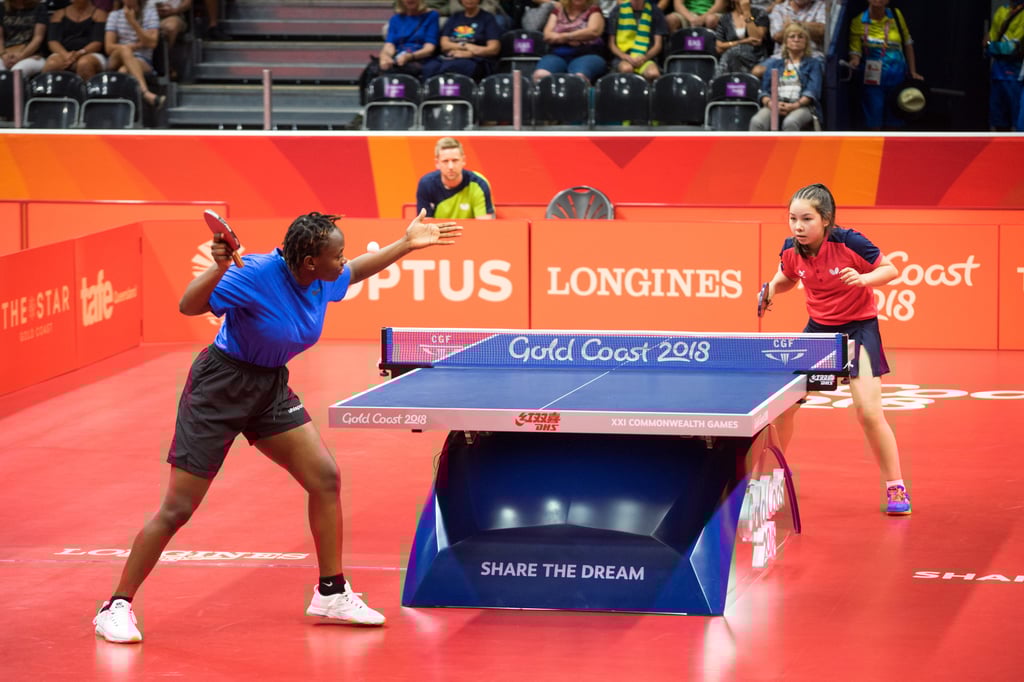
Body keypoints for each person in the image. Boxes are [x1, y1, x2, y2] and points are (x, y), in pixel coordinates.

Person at [92, 210, 463, 643]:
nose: (344, 261)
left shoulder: (322, 277)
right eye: (337, 255)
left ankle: (332, 591)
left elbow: (358, 270)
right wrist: (218, 267)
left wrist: (405, 243)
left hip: (269, 386)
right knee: (177, 509)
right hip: (220, 387)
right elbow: (189, 305)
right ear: (310, 261)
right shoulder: (254, 275)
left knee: (324, 477)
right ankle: (115, 605)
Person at [764, 183, 910, 516]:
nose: (798, 227)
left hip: (859, 331)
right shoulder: (791, 248)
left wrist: (863, 280)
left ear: (826, 220)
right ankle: (775, 478)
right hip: (818, 333)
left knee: (869, 412)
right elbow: (788, 276)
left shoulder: (850, 242)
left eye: (807, 220)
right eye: (793, 219)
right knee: (784, 408)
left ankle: (896, 485)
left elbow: (890, 269)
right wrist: (772, 288)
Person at [848, 0, 922, 131]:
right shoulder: (858, 21)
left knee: (895, 122)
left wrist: (913, 71)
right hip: (872, 81)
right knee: (873, 123)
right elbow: (856, 52)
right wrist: (854, 61)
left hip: (898, 78)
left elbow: (908, 43)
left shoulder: (896, 15)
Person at [749, 21, 821, 130]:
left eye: (800, 37)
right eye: (792, 36)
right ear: (786, 42)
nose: (796, 39)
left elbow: (813, 91)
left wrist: (795, 105)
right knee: (757, 121)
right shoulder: (775, 64)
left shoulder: (813, 64)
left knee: (790, 122)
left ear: (806, 42)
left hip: (802, 106)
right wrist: (771, 103)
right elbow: (764, 91)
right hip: (775, 104)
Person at [416, 136, 495, 219]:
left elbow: (485, 225)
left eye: (455, 160)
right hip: (438, 232)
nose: (451, 166)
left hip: (472, 231)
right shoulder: (426, 184)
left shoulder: (479, 183)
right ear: (437, 163)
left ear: (463, 160)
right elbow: (425, 226)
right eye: (445, 161)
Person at [531, 0, 607, 85]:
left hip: (587, 54)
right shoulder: (558, 11)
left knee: (578, 78)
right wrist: (574, 37)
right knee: (540, 75)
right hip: (558, 54)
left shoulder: (594, 10)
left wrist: (562, 36)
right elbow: (547, 36)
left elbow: (593, 32)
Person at [105, 0, 164, 108]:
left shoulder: (150, 13)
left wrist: (133, 23)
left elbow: (152, 43)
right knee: (124, 50)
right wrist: (135, 46)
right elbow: (109, 47)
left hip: (142, 60)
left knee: (124, 71)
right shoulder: (114, 15)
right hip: (116, 58)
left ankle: (127, 114)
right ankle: (145, 93)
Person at [421, 0, 501, 80]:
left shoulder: (488, 18)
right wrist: (465, 46)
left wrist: (470, 54)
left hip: (475, 59)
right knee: (430, 68)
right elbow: (444, 45)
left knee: (454, 66)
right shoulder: (455, 17)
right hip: (451, 56)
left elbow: (494, 49)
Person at [42, 0, 108, 81]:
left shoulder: (100, 14)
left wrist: (78, 54)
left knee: (84, 64)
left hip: (91, 53)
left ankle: (88, 92)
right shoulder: (59, 14)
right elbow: (53, 41)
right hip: (63, 52)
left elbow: (97, 43)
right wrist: (66, 55)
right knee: (53, 64)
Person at [605, 0, 669, 82]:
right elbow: (611, 44)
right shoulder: (617, 11)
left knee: (653, 73)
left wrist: (644, 58)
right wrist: (625, 56)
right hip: (623, 56)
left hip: (645, 56)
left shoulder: (655, 11)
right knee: (627, 69)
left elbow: (657, 45)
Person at [377, 0, 441, 81]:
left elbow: (429, 49)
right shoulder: (395, 19)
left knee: (405, 70)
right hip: (399, 56)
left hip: (421, 56)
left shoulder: (432, 16)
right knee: (375, 69)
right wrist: (385, 56)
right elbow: (389, 44)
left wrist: (409, 57)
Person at [986, 0, 1024, 131]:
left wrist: (992, 46)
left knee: (1019, 123)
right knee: (999, 121)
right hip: (998, 74)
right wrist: (992, 46)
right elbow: (988, 41)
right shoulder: (1002, 10)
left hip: (1017, 77)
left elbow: (1012, 48)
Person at [713, 0, 768, 77]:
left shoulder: (759, 14)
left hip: (755, 56)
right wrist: (743, 41)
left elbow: (757, 38)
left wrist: (747, 13)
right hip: (731, 57)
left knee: (733, 54)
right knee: (733, 54)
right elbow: (719, 47)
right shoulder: (725, 18)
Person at [0, 0, 49, 79]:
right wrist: (3, 55)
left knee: (17, 71)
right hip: (7, 53)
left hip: (32, 54)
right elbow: (0, 38)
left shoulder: (39, 8)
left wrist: (21, 56)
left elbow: (38, 38)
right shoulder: (2, 7)